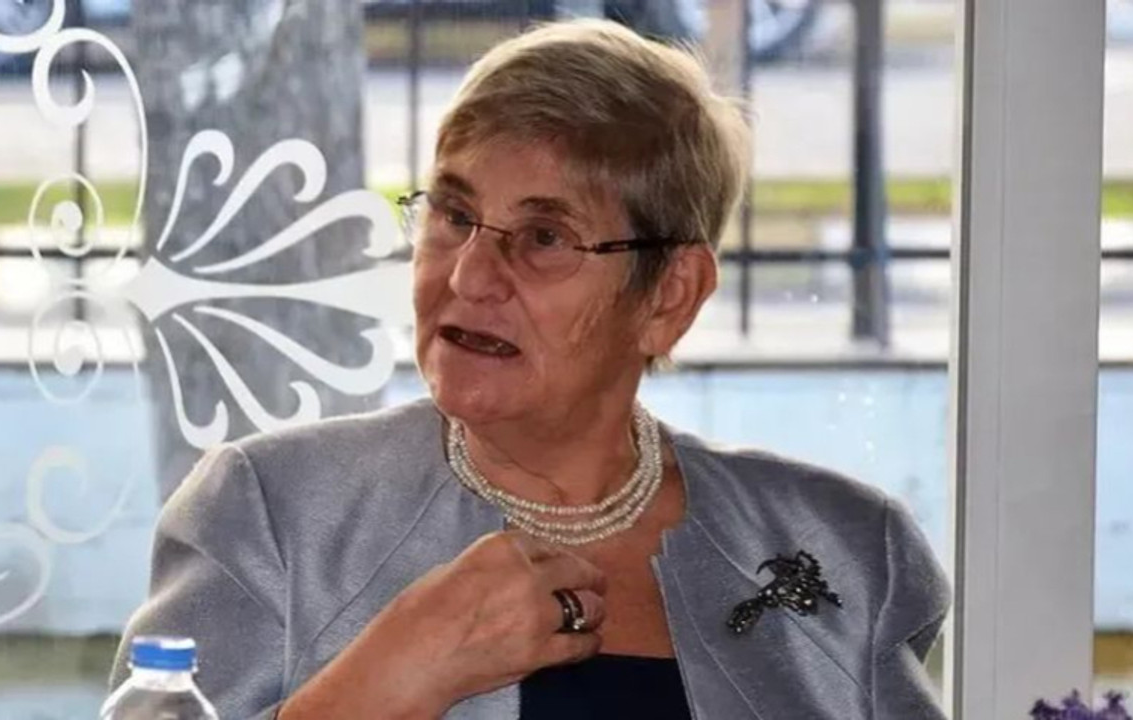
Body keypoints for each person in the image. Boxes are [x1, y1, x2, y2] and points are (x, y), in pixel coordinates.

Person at [112, 19, 950, 720]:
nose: (469, 276)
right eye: (454, 214)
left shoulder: (845, 550)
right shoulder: (270, 515)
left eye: (544, 237)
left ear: (670, 294)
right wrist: (384, 680)